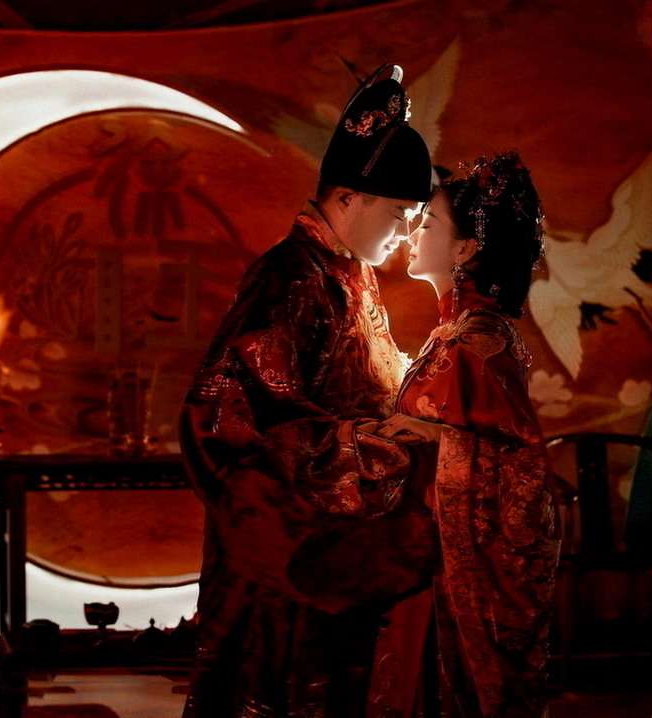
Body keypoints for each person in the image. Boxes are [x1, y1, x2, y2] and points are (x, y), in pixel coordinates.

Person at [179, 64, 441, 718]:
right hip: (287, 553)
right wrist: (370, 447)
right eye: (399, 214)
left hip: (347, 541)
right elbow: (226, 417)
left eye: (415, 218)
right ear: (348, 198)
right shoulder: (291, 278)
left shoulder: (349, 275)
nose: (406, 233)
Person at [366, 151, 560, 718]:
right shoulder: (452, 334)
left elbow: (518, 464)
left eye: (427, 223)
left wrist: (430, 440)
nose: (412, 235)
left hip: (450, 575)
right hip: (426, 563)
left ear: (465, 249)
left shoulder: (477, 343)